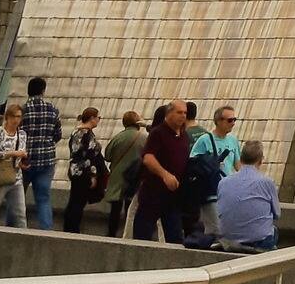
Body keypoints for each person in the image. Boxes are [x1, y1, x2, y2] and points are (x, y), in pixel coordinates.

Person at [131, 101, 191, 243]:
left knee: (175, 235)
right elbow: (148, 157)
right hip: (153, 192)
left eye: (185, 113)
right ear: (169, 113)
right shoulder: (158, 133)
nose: (183, 116)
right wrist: (165, 175)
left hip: (174, 195)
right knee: (143, 233)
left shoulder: (184, 135)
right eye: (179, 112)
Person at [186, 104, 241, 241]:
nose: (233, 123)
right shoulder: (204, 140)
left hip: (227, 192)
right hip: (210, 191)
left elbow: (238, 165)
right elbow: (192, 164)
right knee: (215, 229)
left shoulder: (233, 140)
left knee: (225, 228)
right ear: (218, 121)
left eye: (235, 119)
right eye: (230, 120)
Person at [216, 141, 281, 251]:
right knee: (273, 231)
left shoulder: (223, 182)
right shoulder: (267, 182)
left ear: (241, 160)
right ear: (260, 161)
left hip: (228, 239)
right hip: (258, 241)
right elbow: (277, 214)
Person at [17, 76, 62, 231]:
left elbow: (16, 134)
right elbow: (57, 135)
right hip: (46, 160)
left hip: (25, 161)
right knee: (43, 198)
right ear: (43, 90)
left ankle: (16, 227)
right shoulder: (53, 110)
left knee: (17, 195)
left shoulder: (21, 111)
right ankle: (45, 230)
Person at [0, 101, 29, 226]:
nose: (16, 120)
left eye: (19, 117)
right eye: (13, 116)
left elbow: (21, 153)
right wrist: (12, 153)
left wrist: (21, 161)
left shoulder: (22, 134)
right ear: (7, 117)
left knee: (20, 214)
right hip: (0, 176)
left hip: (16, 177)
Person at [61, 108, 109, 233]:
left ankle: (68, 226)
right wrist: (93, 175)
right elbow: (90, 156)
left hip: (74, 170)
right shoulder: (88, 134)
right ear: (92, 118)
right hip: (84, 172)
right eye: (98, 117)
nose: (99, 120)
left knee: (74, 200)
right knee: (79, 202)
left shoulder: (75, 132)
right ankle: (73, 228)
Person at [102, 110, 145, 237]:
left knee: (115, 209)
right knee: (130, 208)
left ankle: (111, 234)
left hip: (118, 177)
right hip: (136, 178)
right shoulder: (143, 138)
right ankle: (129, 234)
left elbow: (108, 156)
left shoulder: (118, 137)